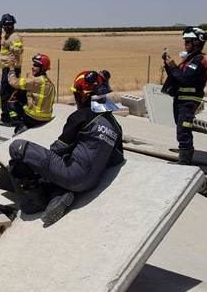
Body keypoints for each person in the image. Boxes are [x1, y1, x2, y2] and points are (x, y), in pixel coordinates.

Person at [8, 70, 124, 227]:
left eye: (76, 95)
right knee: (66, 163)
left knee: (18, 148)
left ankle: (37, 202)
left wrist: (40, 170)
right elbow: (116, 159)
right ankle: (59, 194)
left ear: (83, 96)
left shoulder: (81, 116)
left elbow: (57, 149)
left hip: (72, 175)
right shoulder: (116, 127)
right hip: (92, 183)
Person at [162, 27, 207, 165]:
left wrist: (172, 66)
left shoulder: (198, 60)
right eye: (185, 41)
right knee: (180, 128)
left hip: (189, 102)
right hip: (180, 100)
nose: (185, 44)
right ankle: (183, 159)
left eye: (188, 41)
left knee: (184, 129)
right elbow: (176, 77)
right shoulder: (189, 60)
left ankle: (184, 162)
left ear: (196, 43)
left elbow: (185, 79)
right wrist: (168, 65)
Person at [7, 53, 56, 134]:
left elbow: (13, 82)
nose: (33, 67)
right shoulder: (50, 83)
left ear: (42, 68)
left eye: (36, 65)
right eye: (33, 64)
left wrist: (11, 68)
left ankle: (19, 124)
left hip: (33, 118)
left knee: (11, 103)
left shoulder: (35, 81)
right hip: (46, 118)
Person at [0, 13, 25, 126]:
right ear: (2, 26)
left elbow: (19, 50)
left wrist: (8, 45)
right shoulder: (5, 36)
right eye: (5, 24)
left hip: (12, 69)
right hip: (6, 69)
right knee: (7, 94)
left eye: (10, 24)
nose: (8, 26)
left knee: (5, 94)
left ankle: (7, 118)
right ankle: (11, 117)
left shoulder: (14, 37)